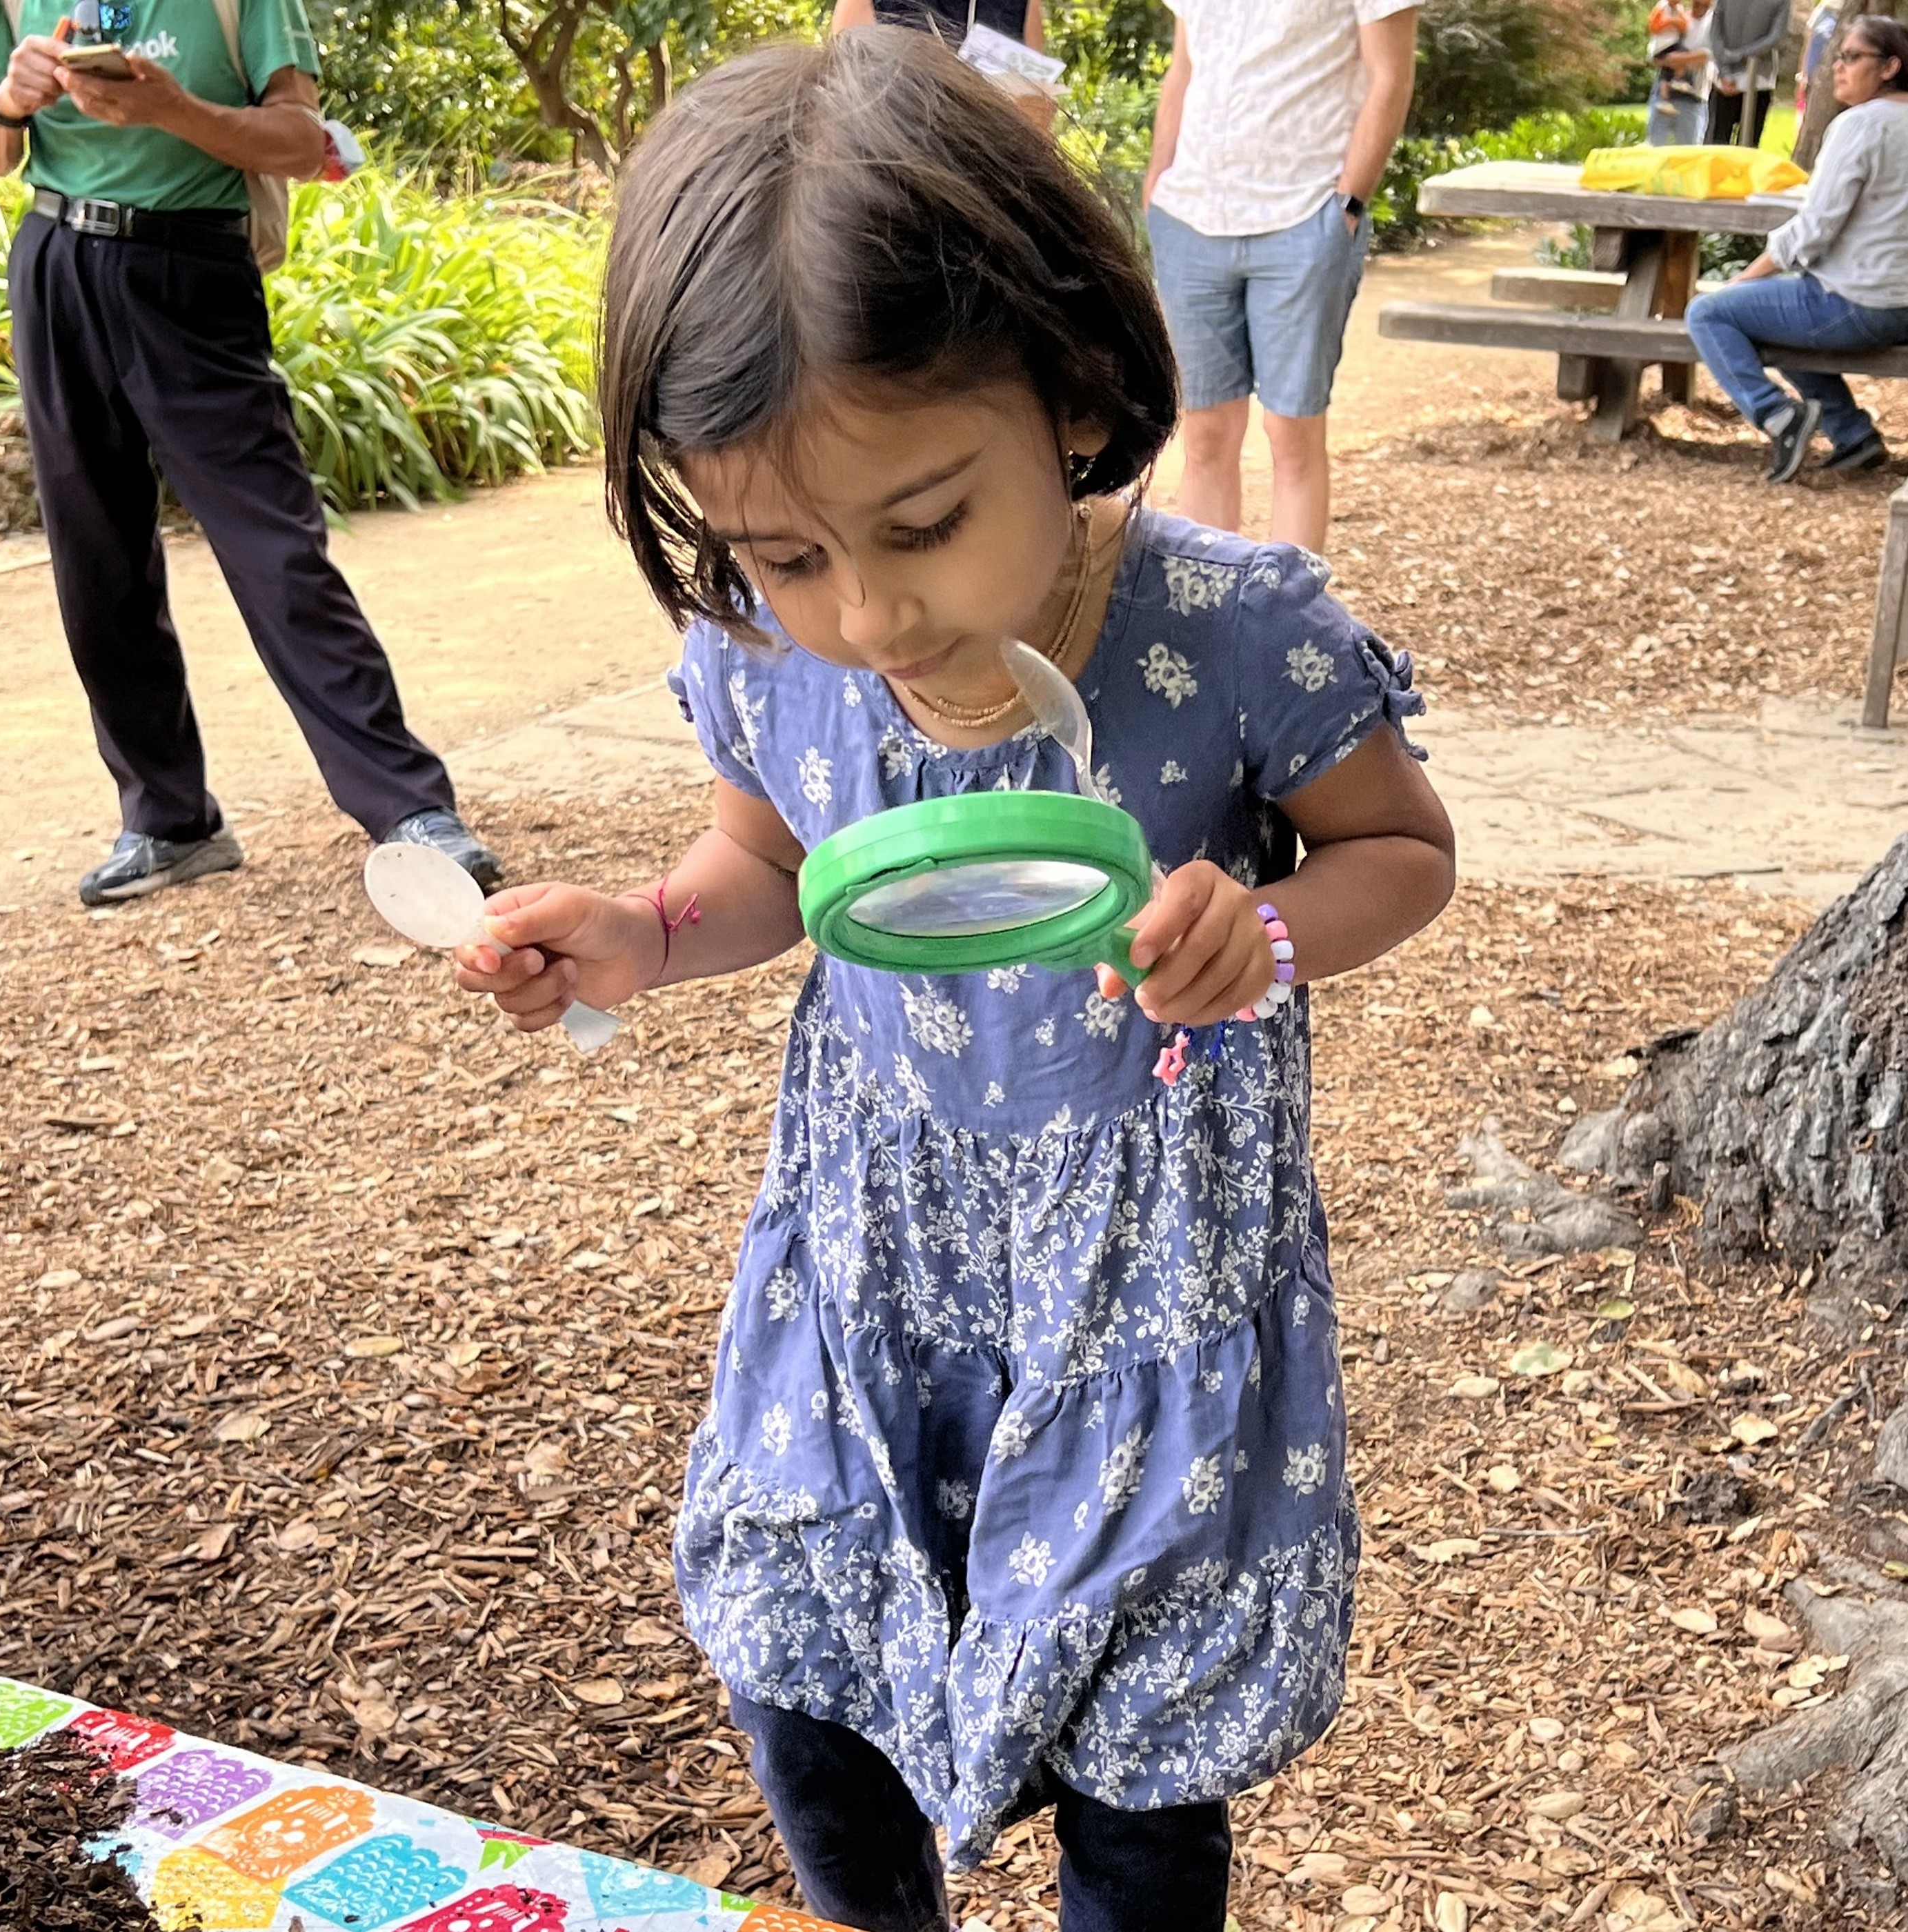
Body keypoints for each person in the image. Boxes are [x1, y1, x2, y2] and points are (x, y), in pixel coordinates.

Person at [458, 30, 1456, 1932]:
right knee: (799, 1648)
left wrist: (1263, 937)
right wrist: (647, 934)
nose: (867, 612)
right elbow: (774, 867)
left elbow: (1401, 857)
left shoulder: (1235, 632)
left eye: (922, 522)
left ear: (1071, 388)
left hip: (1145, 1257)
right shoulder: (769, 649)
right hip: (874, 1241)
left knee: (1133, 1736)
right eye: (779, 549)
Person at [0, 0, 499, 904]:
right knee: (94, 566)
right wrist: (6, 108)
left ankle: (410, 808)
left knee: (276, 553)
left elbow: (305, 142)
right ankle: (169, 819)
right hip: (56, 259)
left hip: (190, 267)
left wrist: (172, 110)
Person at [1141, 0, 1417, 550]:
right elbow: (1184, 67)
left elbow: (1390, 77)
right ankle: (1210, 616)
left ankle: (1290, 622)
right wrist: (1156, 186)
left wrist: (1347, 204)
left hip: (1304, 218)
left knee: (1291, 435)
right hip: (1191, 218)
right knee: (1205, 436)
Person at [1685, 16, 1908, 480]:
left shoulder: (1861, 126)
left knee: (1709, 313)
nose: (1836, 68)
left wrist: (1745, 277)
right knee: (1775, 312)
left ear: (1889, 67)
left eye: (1851, 57)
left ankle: (1777, 417)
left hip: (1863, 304)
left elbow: (1814, 229)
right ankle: (1851, 435)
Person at [1708, 0, 1785, 146]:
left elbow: (1715, 34)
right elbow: (1775, 38)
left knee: (1717, 144)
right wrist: (1740, 56)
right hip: (1758, 80)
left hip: (1737, 81)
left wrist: (1726, 70)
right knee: (1745, 147)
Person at [829, 0, 1045, 50]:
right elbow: (841, 97)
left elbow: (1036, 96)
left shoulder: (1021, 5)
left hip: (996, 155)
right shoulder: (865, 3)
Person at [1647, 0, 1714, 145]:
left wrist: (1681, 59)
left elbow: (1710, 54)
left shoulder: (1714, 23)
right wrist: (1669, 60)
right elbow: (1656, 53)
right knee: (1656, 148)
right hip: (1665, 95)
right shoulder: (1681, 18)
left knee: (1689, 153)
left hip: (1693, 96)